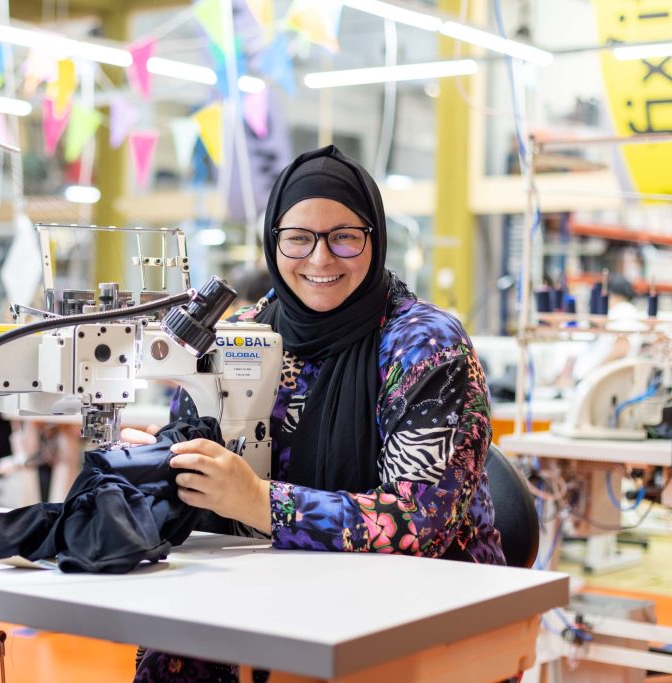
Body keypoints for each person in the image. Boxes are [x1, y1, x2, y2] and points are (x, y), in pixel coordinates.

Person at [127, 145, 505, 682]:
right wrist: (166, 469)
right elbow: (197, 463)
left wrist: (258, 501)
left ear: (374, 238)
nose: (321, 259)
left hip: (425, 614)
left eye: (344, 236)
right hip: (271, 591)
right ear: (273, 241)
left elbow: (420, 524)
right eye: (299, 238)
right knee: (177, 651)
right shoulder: (239, 335)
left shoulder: (425, 346)